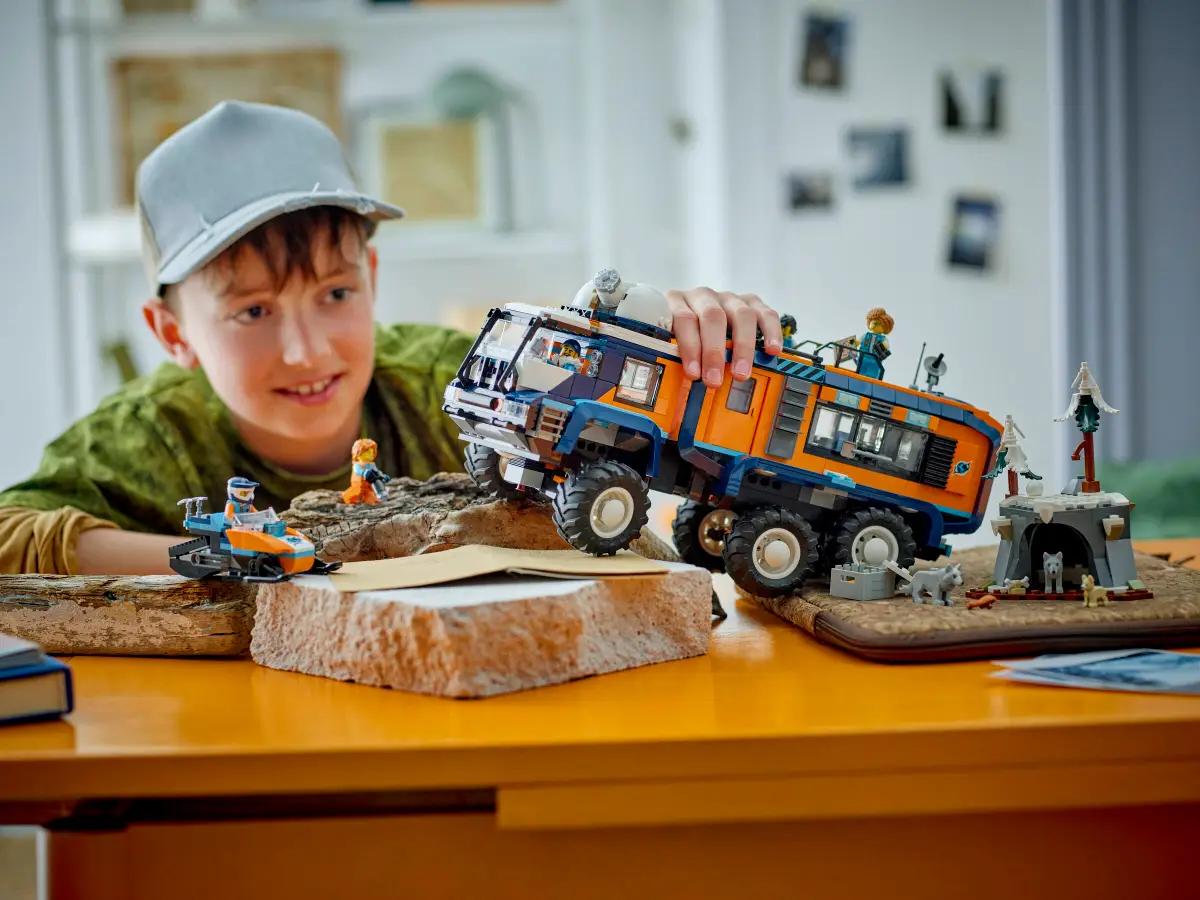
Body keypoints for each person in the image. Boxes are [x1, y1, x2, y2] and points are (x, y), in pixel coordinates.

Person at [0, 100, 785, 575]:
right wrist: (241, 558)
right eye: (252, 312)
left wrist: (679, 335)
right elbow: (11, 536)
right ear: (171, 332)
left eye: (335, 294)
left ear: (371, 277)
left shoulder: (453, 377)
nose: (307, 350)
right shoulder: (148, 434)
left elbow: (602, 402)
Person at [342, 438, 390, 505]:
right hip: (359, 485)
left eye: (372, 452)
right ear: (358, 453)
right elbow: (357, 471)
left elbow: (377, 472)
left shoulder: (372, 464)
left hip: (369, 486)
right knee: (354, 493)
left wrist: (382, 476)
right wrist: (364, 473)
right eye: (368, 452)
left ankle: (380, 494)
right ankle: (346, 495)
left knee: (372, 501)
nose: (371, 454)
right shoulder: (358, 464)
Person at [856, 307, 894, 380]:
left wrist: (883, 346)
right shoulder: (866, 335)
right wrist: (853, 344)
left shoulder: (883, 339)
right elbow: (858, 341)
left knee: (871, 375)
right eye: (873, 322)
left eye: (878, 323)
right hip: (862, 358)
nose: (875, 324)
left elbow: (886, 346)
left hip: (875, 361)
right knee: (860, 373)